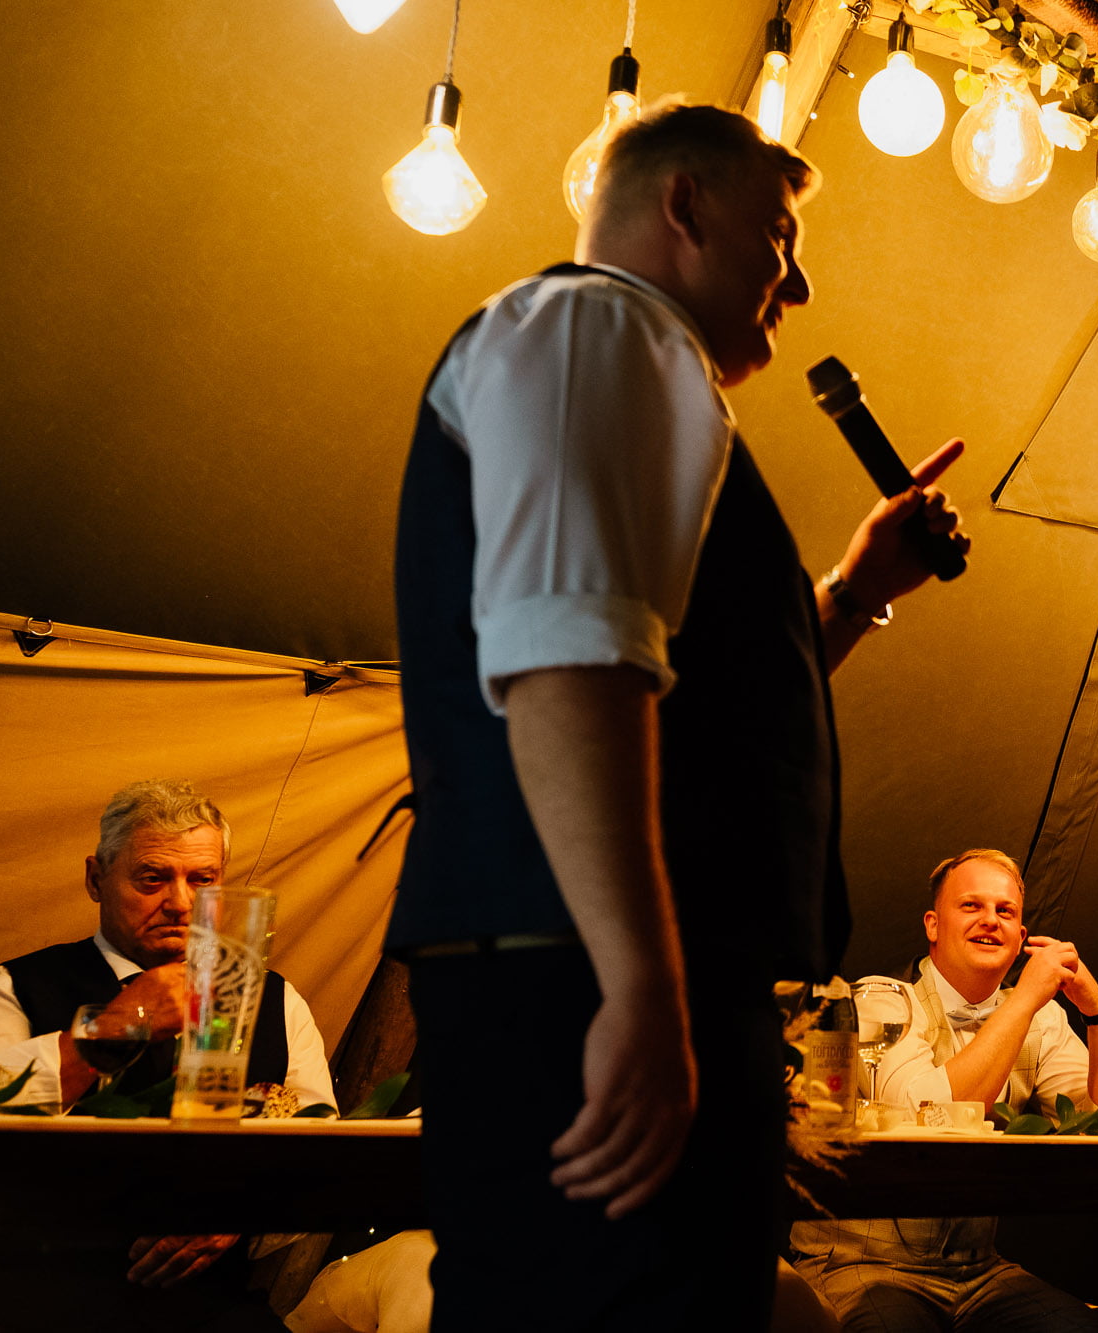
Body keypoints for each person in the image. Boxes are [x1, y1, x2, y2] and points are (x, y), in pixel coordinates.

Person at [386, 100, 969, 1331]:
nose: (795, 284)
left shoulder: (631, 363)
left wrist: (854, 591)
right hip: (578, 968)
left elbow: (684, 694)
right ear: (683, 205)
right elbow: (569, 670)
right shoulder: (597, 325)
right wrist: (639, 986)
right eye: (779, 238)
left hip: (612, 963)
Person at [0, 778, 334, 1331]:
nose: (180, 903)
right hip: (36, 1300)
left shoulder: (276, 1001)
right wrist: (114, 1028)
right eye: (152, 878)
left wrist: (244, 1209)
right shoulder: (15, 987)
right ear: (96, 879)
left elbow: (323, 1155)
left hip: (212, 1310)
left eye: (202, 879)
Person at [788, 849, 1098, 1331]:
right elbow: (932, 1114)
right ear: (933, 925)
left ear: (1021, 938)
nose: (990, 920)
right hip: (860, 1264)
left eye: (1005, 911)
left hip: (979, 1272)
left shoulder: (1045, 1020)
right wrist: (1026, 998)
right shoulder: (880, 1001)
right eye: (971, 905)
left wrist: (1097, 1011)